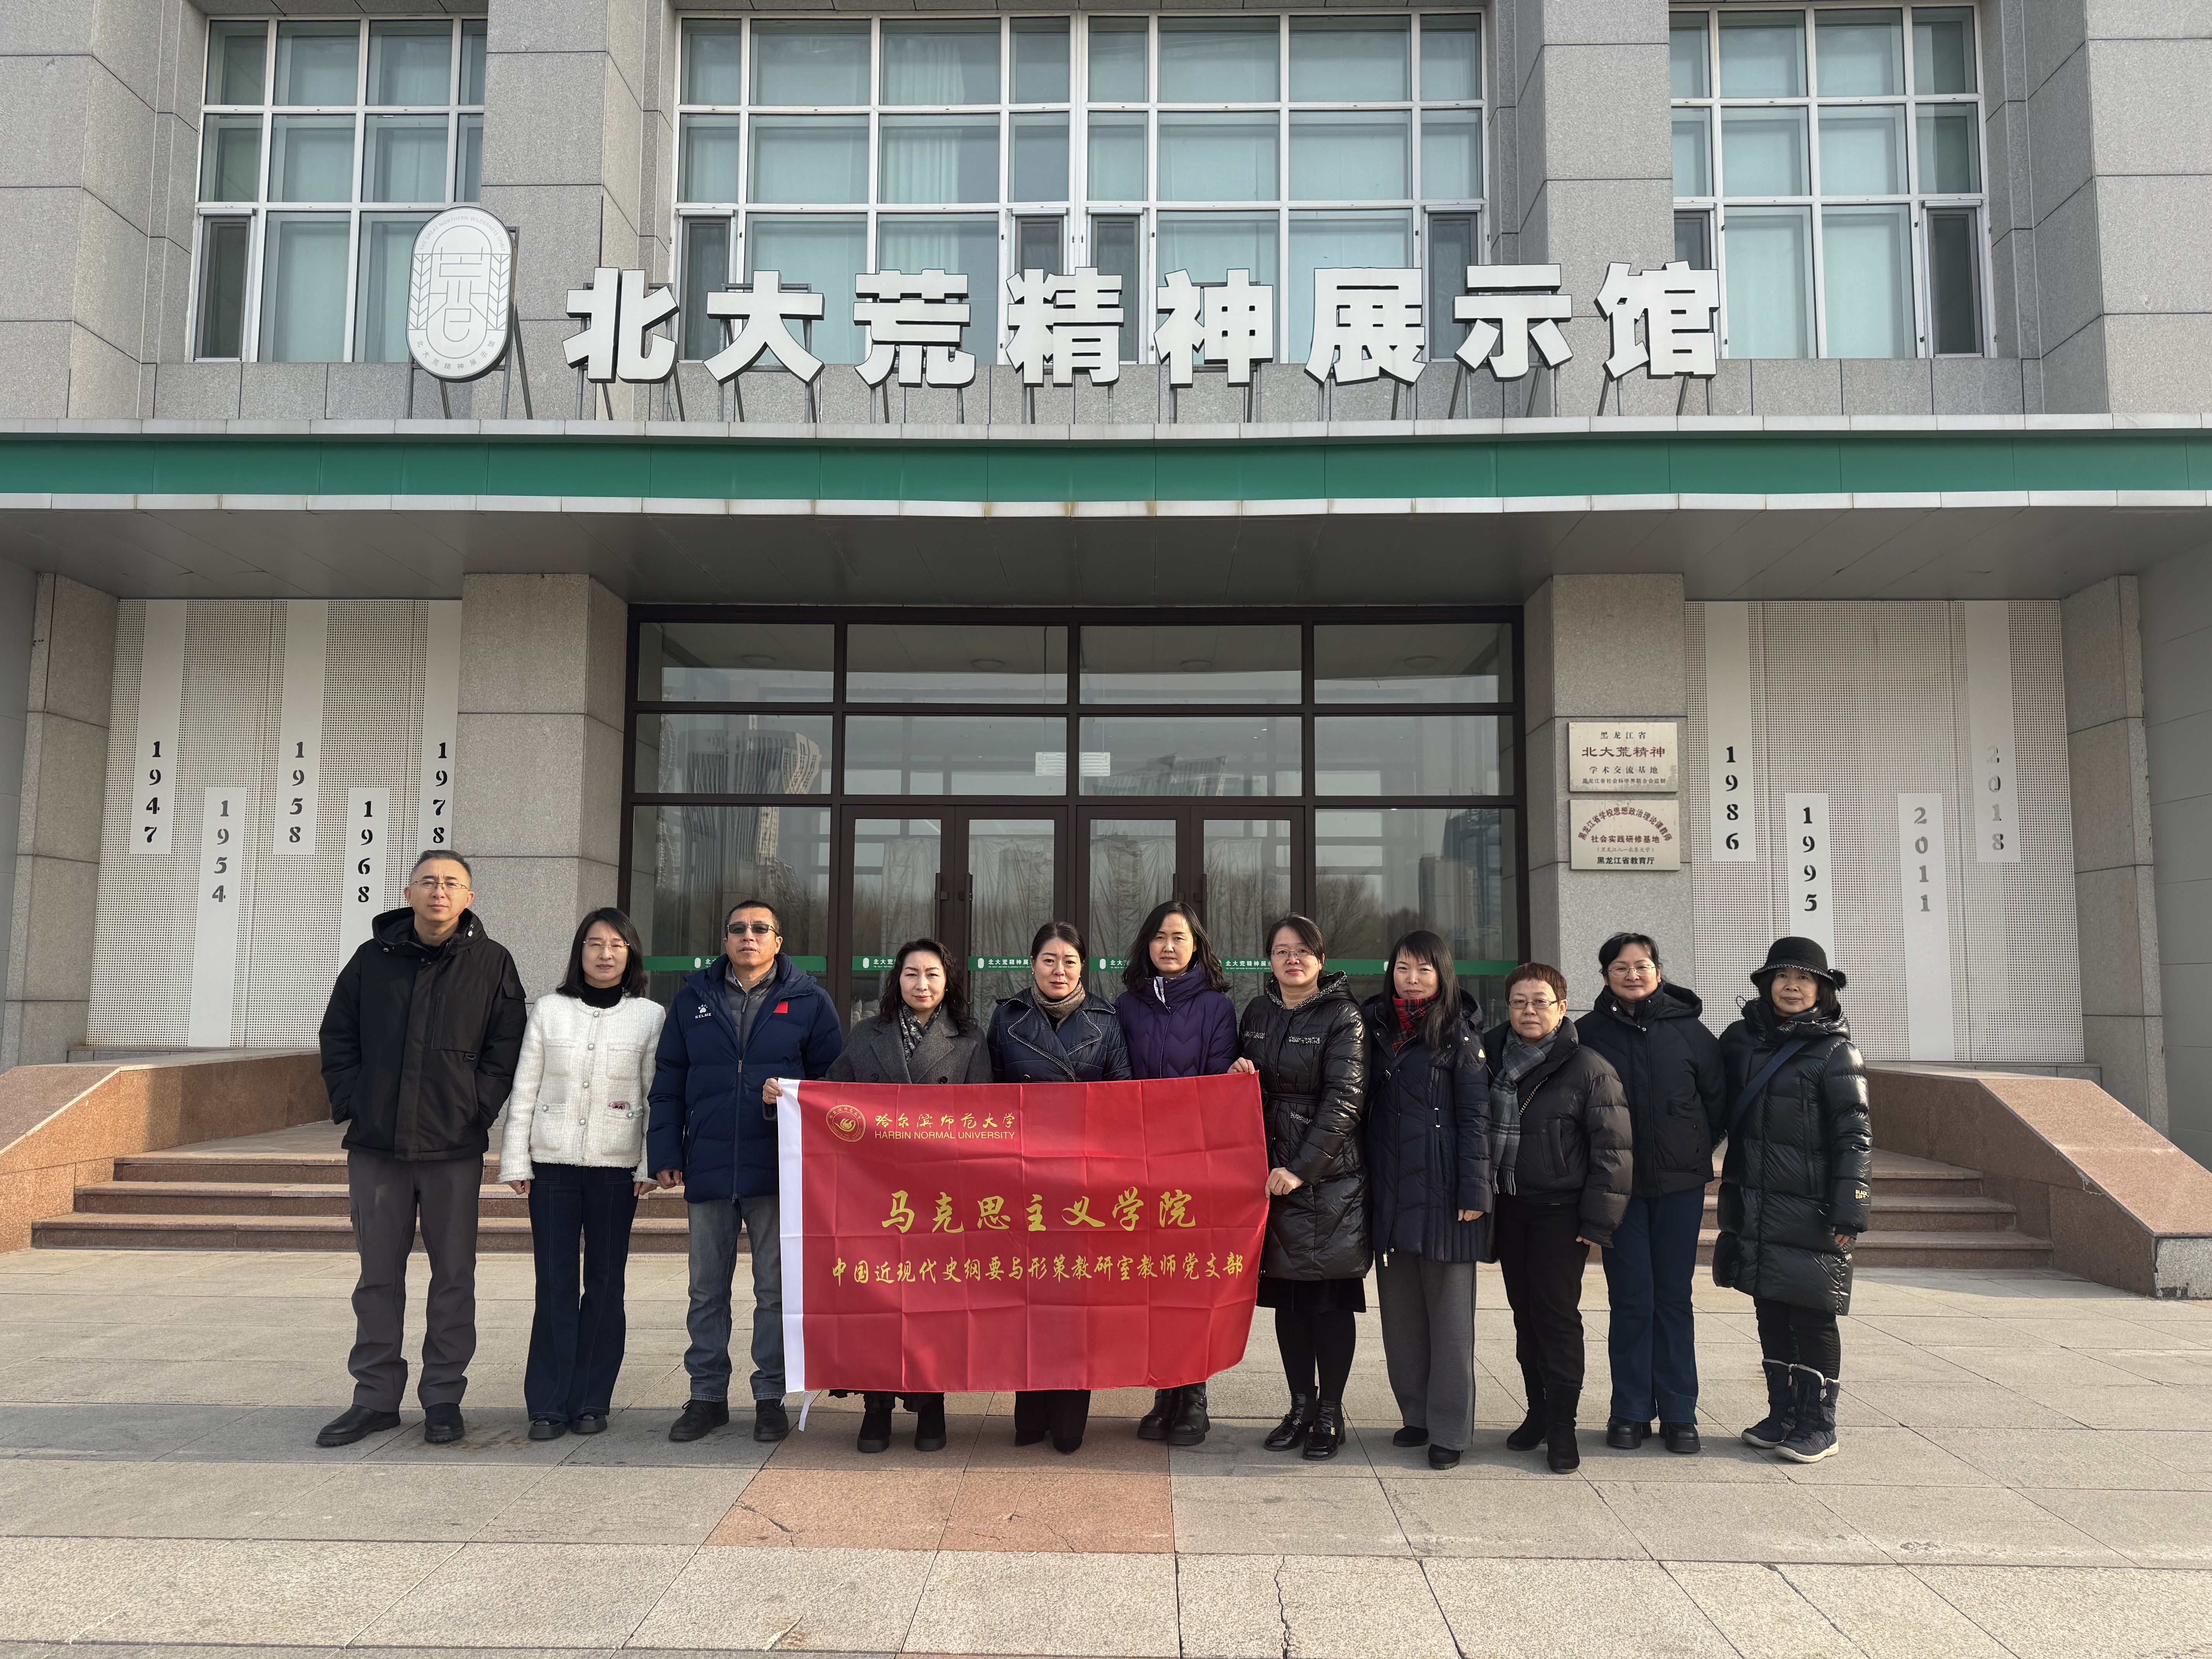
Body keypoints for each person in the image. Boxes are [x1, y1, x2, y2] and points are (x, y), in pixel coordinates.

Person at [314, 850, 526, 1449]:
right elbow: (338, 1035)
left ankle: (442, 1398)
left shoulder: (492, 963)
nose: (439, 891)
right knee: (377, 1276)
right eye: (428, 882)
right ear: (408, 894)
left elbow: (506, 1046)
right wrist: (354, 1100)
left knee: (454, 1275)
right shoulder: (371, 960)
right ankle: (375, 1398)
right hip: (377, 1145)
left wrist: (476, 1107)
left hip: (452, 1146)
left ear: (469, 899)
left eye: (452, 883)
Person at [649, 898, 843, 1445]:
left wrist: (786, 1104)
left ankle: (769, 1396)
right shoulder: (693, 999)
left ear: (779, 941)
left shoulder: (809, 1001)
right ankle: (707, 1396)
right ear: (725, 940)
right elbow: (669, 1080)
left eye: (761, 929)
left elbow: (831, 1085)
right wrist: (665, 1152)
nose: (748, 936)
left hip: (777, 1168)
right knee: (705, 1291)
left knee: (774, 1292)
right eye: (738, 928)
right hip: (709, 1163)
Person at [499, 909, 665, 1441]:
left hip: (618, 1169)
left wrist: (648, 1162)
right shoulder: (550, 1010)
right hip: (552, 1166)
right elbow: (526, 1086)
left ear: (631, 954)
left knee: (606, 1284)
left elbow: (654, 1095)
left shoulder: (650, 1016)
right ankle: (548, 1405)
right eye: (595, 943)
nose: (605, 953)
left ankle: (592, 1399)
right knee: (555, 1284)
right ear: (580, 952)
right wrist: (516, 1158)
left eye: (617, 944)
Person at [824, 938, 992, 1455]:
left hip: (939, 1197)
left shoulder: (970, 1040)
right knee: (877, 1299)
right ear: (896, 980)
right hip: (874, 1193)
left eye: (933, 975)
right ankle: (875, 1406)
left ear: (948, 981)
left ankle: (930, 1403)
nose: (922, 984)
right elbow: (830, 1100)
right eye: (912, 974)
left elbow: (984, 1119)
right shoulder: (865, 1035)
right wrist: (785, 1098)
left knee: (933, 1302)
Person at [1716, 937, 1871, 1466]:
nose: (1792, 986)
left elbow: (1855, 1135)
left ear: (1822, 990)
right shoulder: (1740, 1040)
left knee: (1813, 1313)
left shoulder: (1836, 1052)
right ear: (1766, 984)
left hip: (1811, 1206)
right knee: (1770, 1307)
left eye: (1805, 979)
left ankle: (1819, 1425)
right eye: (1783, 976)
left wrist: (1851, 1206)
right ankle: (1782, 1413)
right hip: (1756, 1202)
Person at [1574, 932, 1724, 1456]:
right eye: (1620, 967)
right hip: (1619, 1191)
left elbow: (1718, 1102)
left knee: (1674, 1298)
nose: (1632, 975)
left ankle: (1681, 1411)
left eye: (1642, 965)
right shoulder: (1588, 1035)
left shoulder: (1690, 1032)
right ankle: (1631, 1409)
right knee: (1631, 1298)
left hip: (1680, 1188)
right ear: (1605, 976)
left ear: (1659, 971)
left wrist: (1692, 1147)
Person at [988, 920, 1134, 1454]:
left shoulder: (1107, 1020)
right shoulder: (1007, 1018)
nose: (1059, 971)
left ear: (1083, 967)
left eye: (1070, 961)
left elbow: (1123, 1099)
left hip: (1082, 1183)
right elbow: (986, 1098)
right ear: (1033, 965)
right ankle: (1029, 1415)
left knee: (1075, 1300)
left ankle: (1070, 1418)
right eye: (1049, 960)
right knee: (1027, 1297)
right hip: (1022, 1177)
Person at [1483, 962, 1631, 1473]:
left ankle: (1563, 1426)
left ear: (1562, 1008)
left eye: (1540, 1001)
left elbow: (1613, 1150)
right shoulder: (1490, 1058)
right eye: (1519, 1002)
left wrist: (1598, 1222)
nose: (1529, 1011)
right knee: (1525, 1316)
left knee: (1557, 1318)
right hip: (1509, 1208)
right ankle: (1539, 1413)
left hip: (1560, 1214)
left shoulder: (1589, 1067)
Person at [1233, 914, 1369, 1462]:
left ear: (1321, 959)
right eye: (1282, 951)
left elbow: (1345, 1102)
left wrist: (1302, 1169)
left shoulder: (1343, 1016)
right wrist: (1238, 1076)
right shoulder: (1258, 1012)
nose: (1293, 960)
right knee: (1288, 1301)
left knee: (1328, 1302)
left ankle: (1330, 1413)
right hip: (1270, 1178)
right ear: (1269, 959)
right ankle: (1300, 1406)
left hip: (1327, 1182)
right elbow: (1253, 1091)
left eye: (1303, 951)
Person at [1359, 930, 1491, 1470]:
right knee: (1402, 1318)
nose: (1412, 980)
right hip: (1390, 1189)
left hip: (1445, 1194)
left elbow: (1476, 1117)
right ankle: (1416, 1415)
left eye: (1424, 970)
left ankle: (1450, 1431)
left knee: (1451, 1323)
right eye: (1403, 969)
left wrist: (1475, 1190)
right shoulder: (1374, 1028)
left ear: (1443, 976)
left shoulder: (1460, 1033)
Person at [1114, 898, 1239, 1446]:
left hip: (1193, 1165)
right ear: (1147, 944)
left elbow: (1216, 1086)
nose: (1168, 946)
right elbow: (1118, 1084)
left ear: (1197, 947)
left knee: (1191, 1280)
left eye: (1179, 938)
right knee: (1151, 1283)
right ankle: (1163, 1392)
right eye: (1160, 937)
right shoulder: (1126, 1007)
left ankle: (1194, 1397)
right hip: (1138, 1165)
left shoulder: (1216, 1008)